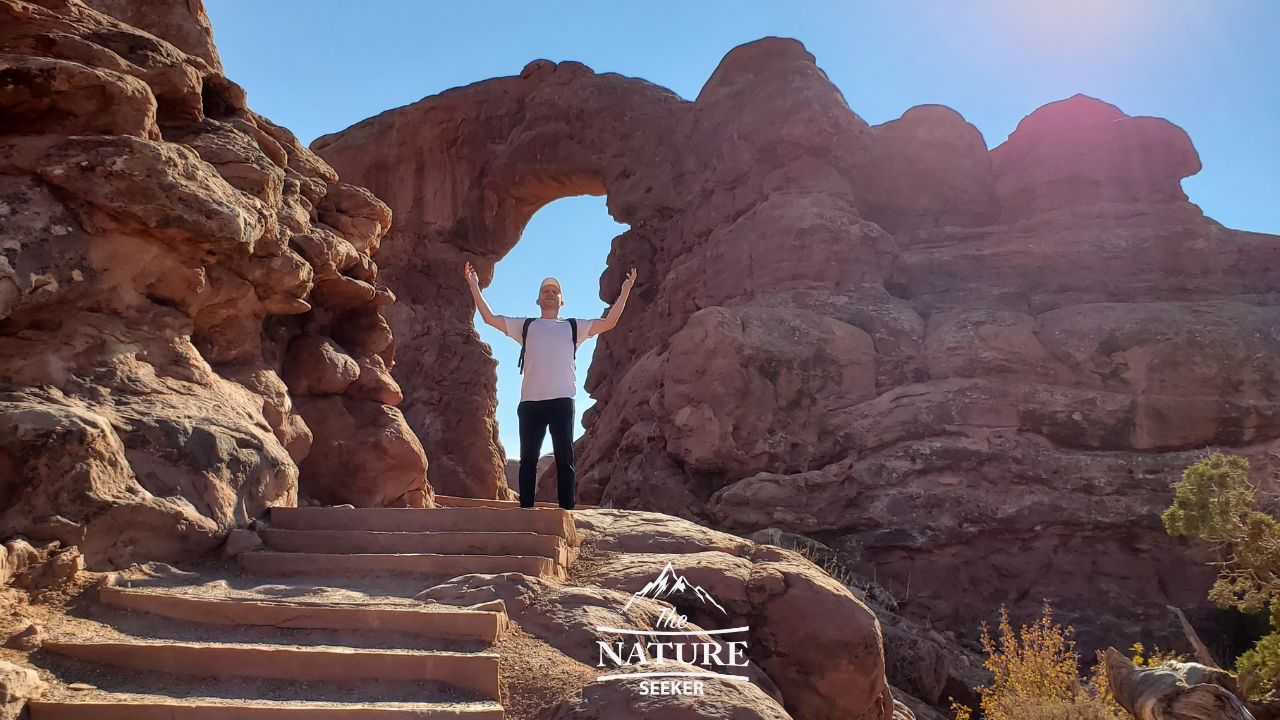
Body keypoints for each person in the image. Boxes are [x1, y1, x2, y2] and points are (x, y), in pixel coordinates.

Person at [464, 261, 637, 509]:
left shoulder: (573, 327)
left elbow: (609, 323)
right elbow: (489, 318)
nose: (550, 294)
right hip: (530, 402)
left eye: (554, 291)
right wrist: (473, 285)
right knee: (528, 461)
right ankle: (526, 511)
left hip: (562, 400)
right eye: (545, 291)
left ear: (562, 301)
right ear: (538, 300)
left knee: (565, 458)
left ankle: (566, 512)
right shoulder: (525, 326)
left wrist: (626, 290)